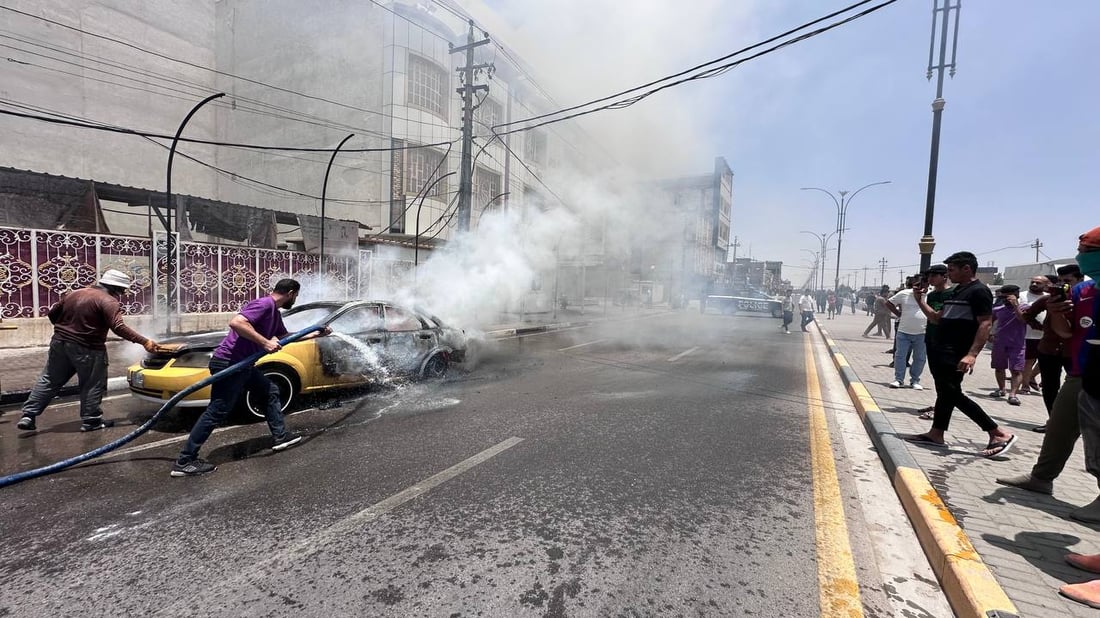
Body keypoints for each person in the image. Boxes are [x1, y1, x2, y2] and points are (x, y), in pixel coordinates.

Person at [171, 279, 330, 477]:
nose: (295, 300)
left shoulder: (274, 313)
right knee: (217, 411)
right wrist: (264, 342)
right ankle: (185, 461)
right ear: (290, 293)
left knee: (269, 391)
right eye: (296, 296)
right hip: (230, 363)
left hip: (244, 365)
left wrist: (314, 334)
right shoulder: (264, 304)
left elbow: (285, 336)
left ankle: (281, 437)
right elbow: (236, 322)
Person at [17, 269, 159, 432]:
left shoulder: (74, 293)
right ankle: (91, 421)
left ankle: (28, 415)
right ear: (116, 288)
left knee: (49, 379)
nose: (122, 294)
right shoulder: (109, 301)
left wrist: (66, 328)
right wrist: (144, 342)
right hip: (88, 348)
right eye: (122, 290)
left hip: (59, 343)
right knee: (92, 383)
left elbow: (52, 314)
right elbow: (118, 327)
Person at [905, 251, 1017, 457]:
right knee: (945, 391)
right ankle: (936, 433)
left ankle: (997, 432)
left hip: (957, 351)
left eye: (952, 269)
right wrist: (919, 299)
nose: (949, 274)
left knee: (951, 392)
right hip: (942, 348)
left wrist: (972, 354)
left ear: (967, 268)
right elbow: (937, 318)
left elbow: (985, 323)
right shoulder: (957, 291)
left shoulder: (978, 291)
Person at [1023, 266, 1084, 432]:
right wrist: (1042, 327)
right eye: (1061, 281)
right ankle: (1054, 422)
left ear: (1079, 280)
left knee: (1075, 388)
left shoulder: (1085, 301)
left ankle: (1074, 423)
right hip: (1048, 350)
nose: (1064, 286)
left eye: (1068, 281)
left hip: (1074, 352)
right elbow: (1027, 314)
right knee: (1050, 388)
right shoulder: (1049, 299)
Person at [987, 284, 1030, 406]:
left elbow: (1023, 320)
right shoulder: (998, 309)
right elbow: (990, 321)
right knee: (999, 367)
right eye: (1003, 298)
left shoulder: (1025, 307)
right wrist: (990, 333)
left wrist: (1016, 306)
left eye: (1007, 297)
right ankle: (1001, 389)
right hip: (999, 342)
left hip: (1017, 344)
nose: (1005, 300)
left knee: (1016, 370)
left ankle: (1013, 394)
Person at [886, 277, 927, 389]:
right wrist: (899, 314)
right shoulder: (904, 293)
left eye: (922, 284)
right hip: (904, 331)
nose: (919, 287)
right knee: (900, 356)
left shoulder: (930, 295)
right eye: (917, 284)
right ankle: (899, 379)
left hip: (922, 332)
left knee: (920, 358)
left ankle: (915, 381)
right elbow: (889, 303)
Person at [1020, 276, 1048, 395]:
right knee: (1028, 361)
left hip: (1045, 335)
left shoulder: (1048, 297)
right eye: (1033, 282)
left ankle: (1031, 377)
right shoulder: (1021, 296)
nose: (1034, 284)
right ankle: (1025, 385)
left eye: (1038, 283)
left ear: (1045, 285)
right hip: (1027, 335)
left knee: (1044, 361)